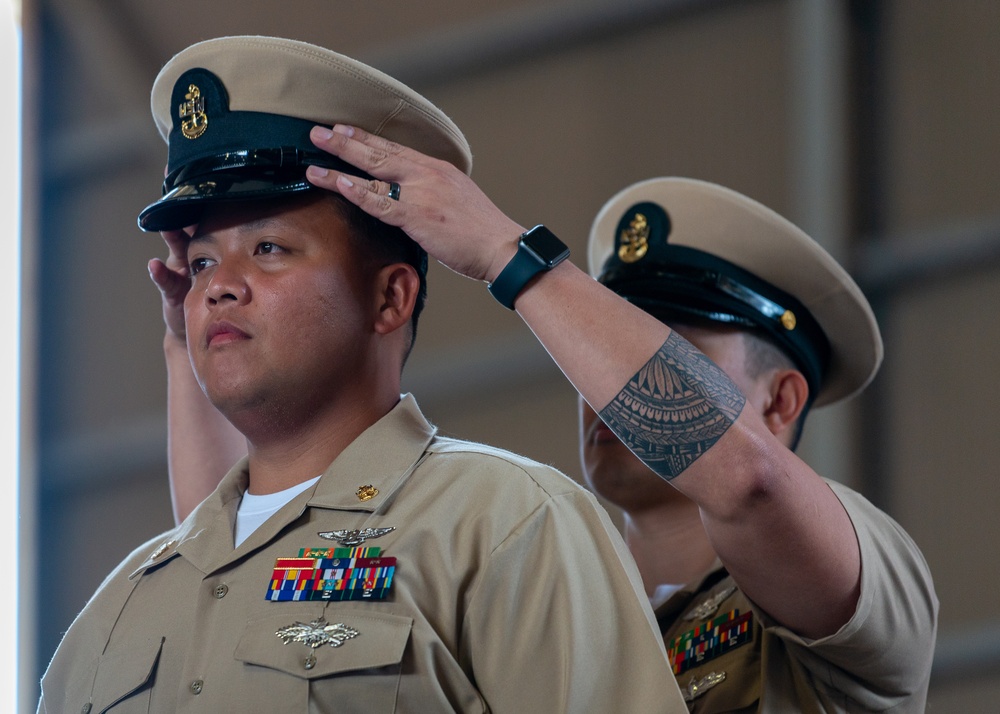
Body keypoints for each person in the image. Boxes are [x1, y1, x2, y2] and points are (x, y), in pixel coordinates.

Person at [37, 36, 690, 713]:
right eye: (202, 262)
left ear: (389, 298)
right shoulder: (118, 607)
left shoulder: (503, 528)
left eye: (268, 247)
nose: (220, 287)